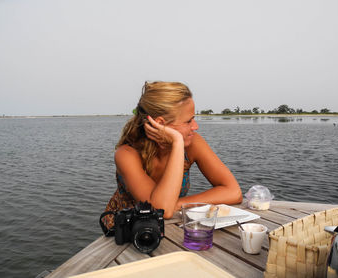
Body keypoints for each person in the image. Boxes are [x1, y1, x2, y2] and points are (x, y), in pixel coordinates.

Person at [103, 81, 242, 228]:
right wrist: (177, 143)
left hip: (168, 227)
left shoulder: (193, 143)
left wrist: (177, 204)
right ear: (161, 123)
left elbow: (234, 192)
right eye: (188, 121)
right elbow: (160, 210)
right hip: (125, 232)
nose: (195, 126)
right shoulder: (126, 154)